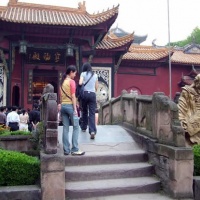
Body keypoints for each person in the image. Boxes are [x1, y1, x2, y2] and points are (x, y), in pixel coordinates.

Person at [60, 65, 85, 156]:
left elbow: (61, 96)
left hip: (63, 106)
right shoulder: (72, 82)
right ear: (71, 72)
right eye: (74, 73)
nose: (75, 75)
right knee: (76, 127)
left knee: (65, 128)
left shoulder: (62, 82)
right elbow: (73, 96)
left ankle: (66, 150)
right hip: (70, 106)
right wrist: (75, 109)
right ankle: (74, 149)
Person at [178, 74, 200, 144]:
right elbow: (181, 110)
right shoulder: (187, 92)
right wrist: (183, 123)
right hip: (192, 128)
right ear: (197, 83)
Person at [79, 62, 98, 139]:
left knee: (84, 111)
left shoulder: (83, 74)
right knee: (92, 113)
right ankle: (92, 131)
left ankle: (84, 127)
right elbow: (96, 87)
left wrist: (83, 84)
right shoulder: (95, 75)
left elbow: (80, 83)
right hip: (92, 94)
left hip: (85, 94)